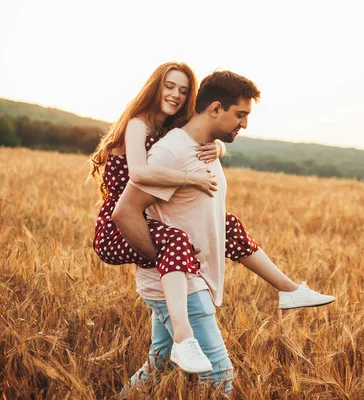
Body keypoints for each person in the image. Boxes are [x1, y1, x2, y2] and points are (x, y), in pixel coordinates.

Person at [89, 63, 334, 376]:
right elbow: (133, 188)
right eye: (170, 87)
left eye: (184, 90)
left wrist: (216, 145)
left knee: (225, 223)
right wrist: (170, 256)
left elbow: (194, 132)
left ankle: (287, 288)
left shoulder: (174, 131)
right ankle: (183, 337)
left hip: (158, 242)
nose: (176, 95)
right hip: (117, 230)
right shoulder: (142, 127)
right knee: (218, 374)